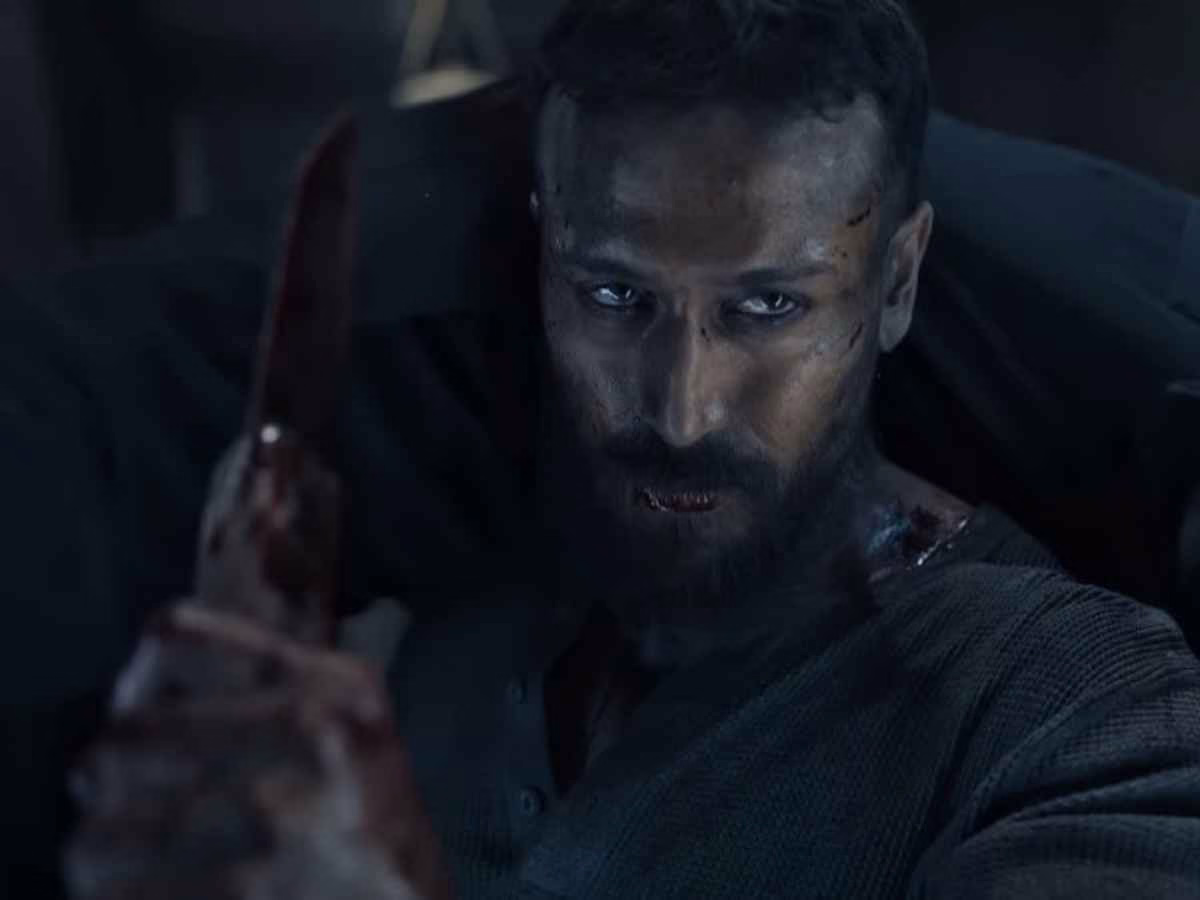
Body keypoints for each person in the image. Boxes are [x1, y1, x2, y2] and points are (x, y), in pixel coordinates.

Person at [3, 1, 1200, 897]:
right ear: (543, 258)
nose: (680, 410)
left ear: (895, 283)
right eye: (616, 297)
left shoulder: (1078, 709)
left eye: (767, 309)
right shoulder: (472, 628)